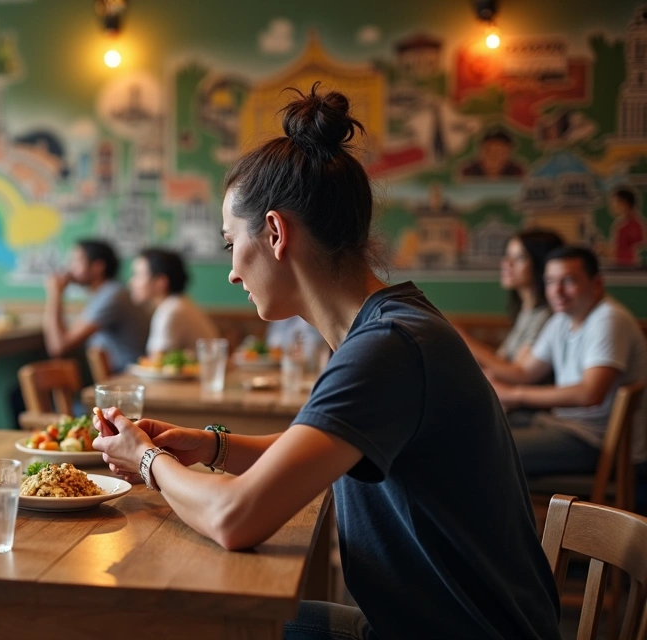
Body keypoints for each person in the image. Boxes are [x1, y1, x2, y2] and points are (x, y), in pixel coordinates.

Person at [90, 85, 559, 639]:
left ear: (275, 232)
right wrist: (209, 446)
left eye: (229, 245)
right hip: (421, 625)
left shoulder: (388, 346)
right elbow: (311, 450)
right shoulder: (386, 325)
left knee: (178, 622)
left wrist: (147, 460)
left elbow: (234, 518)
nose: (234, 273)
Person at [484, 246, 647, 480]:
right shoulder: (562, 318)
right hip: (564, 426)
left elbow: (590, 394)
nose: (557, 291)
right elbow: (525, 372)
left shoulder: (609, 319)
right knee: (479, 429)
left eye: (568, 281)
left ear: (597, 283)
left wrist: (513, 394)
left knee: (486, 447)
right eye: (550, 281)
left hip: (599, 444)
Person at [457, 229, 564, 369]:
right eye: (507, 256)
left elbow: (517, 372)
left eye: (520, 257)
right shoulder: (525, 311)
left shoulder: (545, 315)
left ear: (541, 263)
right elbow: (501, 359)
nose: (507, 264)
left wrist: (464, 341)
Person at [44, 239, 147, 373]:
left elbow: (58, 347)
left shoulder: (111, 295)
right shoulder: (108, 292)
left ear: (98, 266)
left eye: (76, 261)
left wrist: (55, 293)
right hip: (119, 375)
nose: (70, 268)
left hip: (124, 378)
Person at [128, 247, 218, 358]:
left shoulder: (171, 311)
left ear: (161, 282)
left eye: (138, 275)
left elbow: (157, 363)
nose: (131, 282)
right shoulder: (178, 303)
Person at [610, 187, 645, 269]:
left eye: (615, 202)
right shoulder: (620, 224)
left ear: (625, 203)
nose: (613, 205)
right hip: (619, 264)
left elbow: (637, 248)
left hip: (628, 266)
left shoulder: (634, 225)